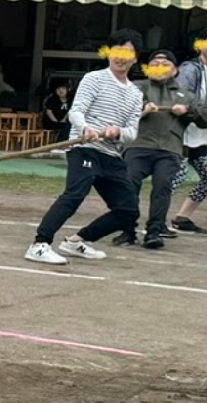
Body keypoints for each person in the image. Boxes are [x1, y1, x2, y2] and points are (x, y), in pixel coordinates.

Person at [23, 31, 144, 266]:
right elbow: (76, 111)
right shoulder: (94, 79)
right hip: (84, 149)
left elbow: (132, 131)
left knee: (128, 211)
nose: (121, 57)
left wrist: (117, 131)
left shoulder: (135, 93)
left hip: (111, 155)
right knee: (75, 194)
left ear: (135, 58)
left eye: (127, 52)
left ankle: (76, 241)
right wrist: (86, 128)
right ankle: (39, 244)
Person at [124, 49, 207, 249]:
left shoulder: (186, 95)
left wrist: (188, 111)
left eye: (165, 64)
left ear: (175, 71)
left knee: (163, 188)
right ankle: (127, 228)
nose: (159, 68)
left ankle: (155, 231)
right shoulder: (137, 87)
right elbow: (121, 108)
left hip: (169, 148)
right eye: (154, 64)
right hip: (138, 145)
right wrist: (143, 108)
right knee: (129, 184)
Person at [172, 29, 207, 234]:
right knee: (174, 178)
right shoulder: (189, 68)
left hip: (202, 134)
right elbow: (181, 95)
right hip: (183, 132)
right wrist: (201, 110)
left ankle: (182, 217)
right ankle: (155, 218)